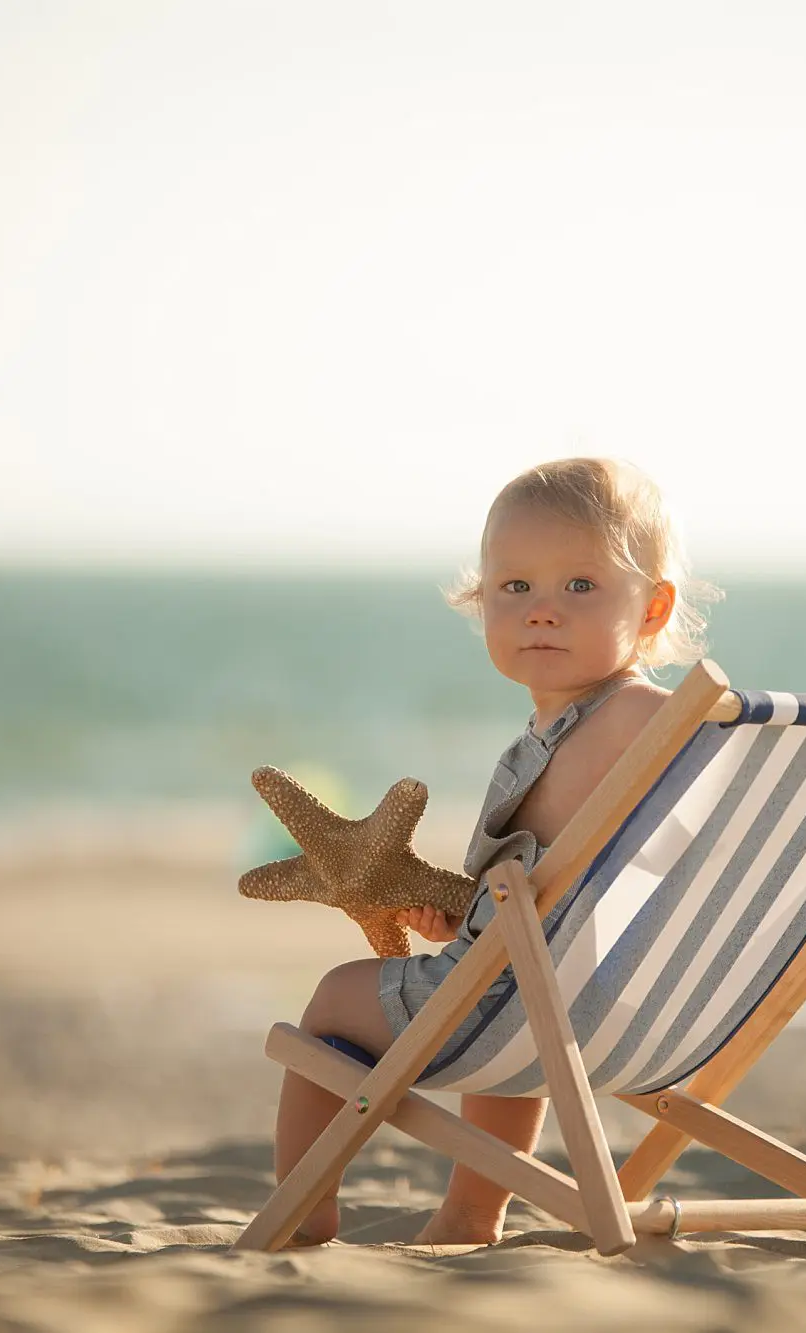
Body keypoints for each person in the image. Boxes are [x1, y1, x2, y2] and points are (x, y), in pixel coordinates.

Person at [272, 456, 717, 1246]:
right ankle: (472, 1212)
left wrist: (491, 933)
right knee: (516, 990)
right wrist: (468, 922)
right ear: (481, 602)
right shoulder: (633, 729)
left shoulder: (638, 716)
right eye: (516, 588)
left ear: (653, 610)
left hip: (531, 1006)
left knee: (335, 998)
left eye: (580, 585)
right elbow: (578, 888)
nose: (542, 611)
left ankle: (303, 1210)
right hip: (626, 1006)